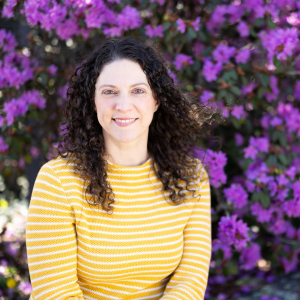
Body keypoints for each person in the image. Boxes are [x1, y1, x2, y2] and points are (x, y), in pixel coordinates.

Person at [26, 36, 212, 300]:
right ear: (93, 101)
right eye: (109, 91)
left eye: (138, 90)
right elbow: (56, 294)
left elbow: (190, 282)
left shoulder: (191, 176)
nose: (123, 105)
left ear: (156, 101)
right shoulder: (57, 182)